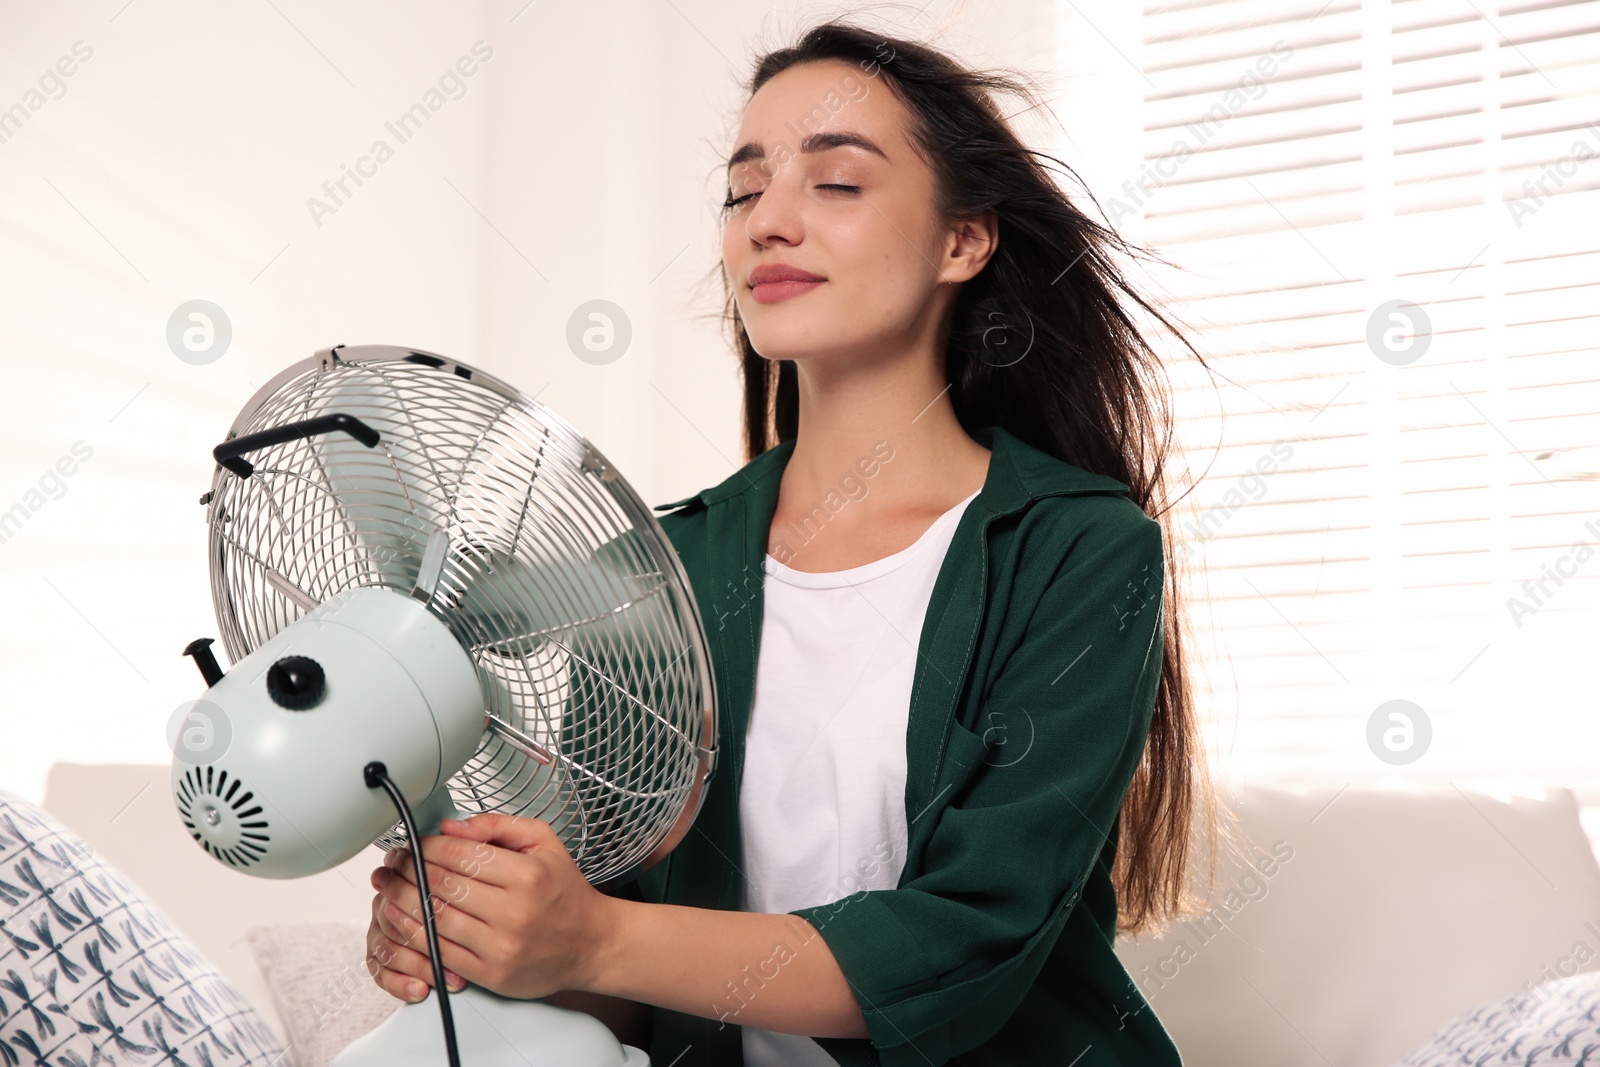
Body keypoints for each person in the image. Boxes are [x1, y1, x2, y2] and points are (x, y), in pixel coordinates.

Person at [364, 17, 1228, 1066]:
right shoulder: (656, 572)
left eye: (836, 183)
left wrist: (597, 935)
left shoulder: (1079, 551)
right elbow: (631, 974)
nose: (767, 222)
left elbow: (965, 946)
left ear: (964, 240)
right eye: (742, 190)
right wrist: (493, 938)